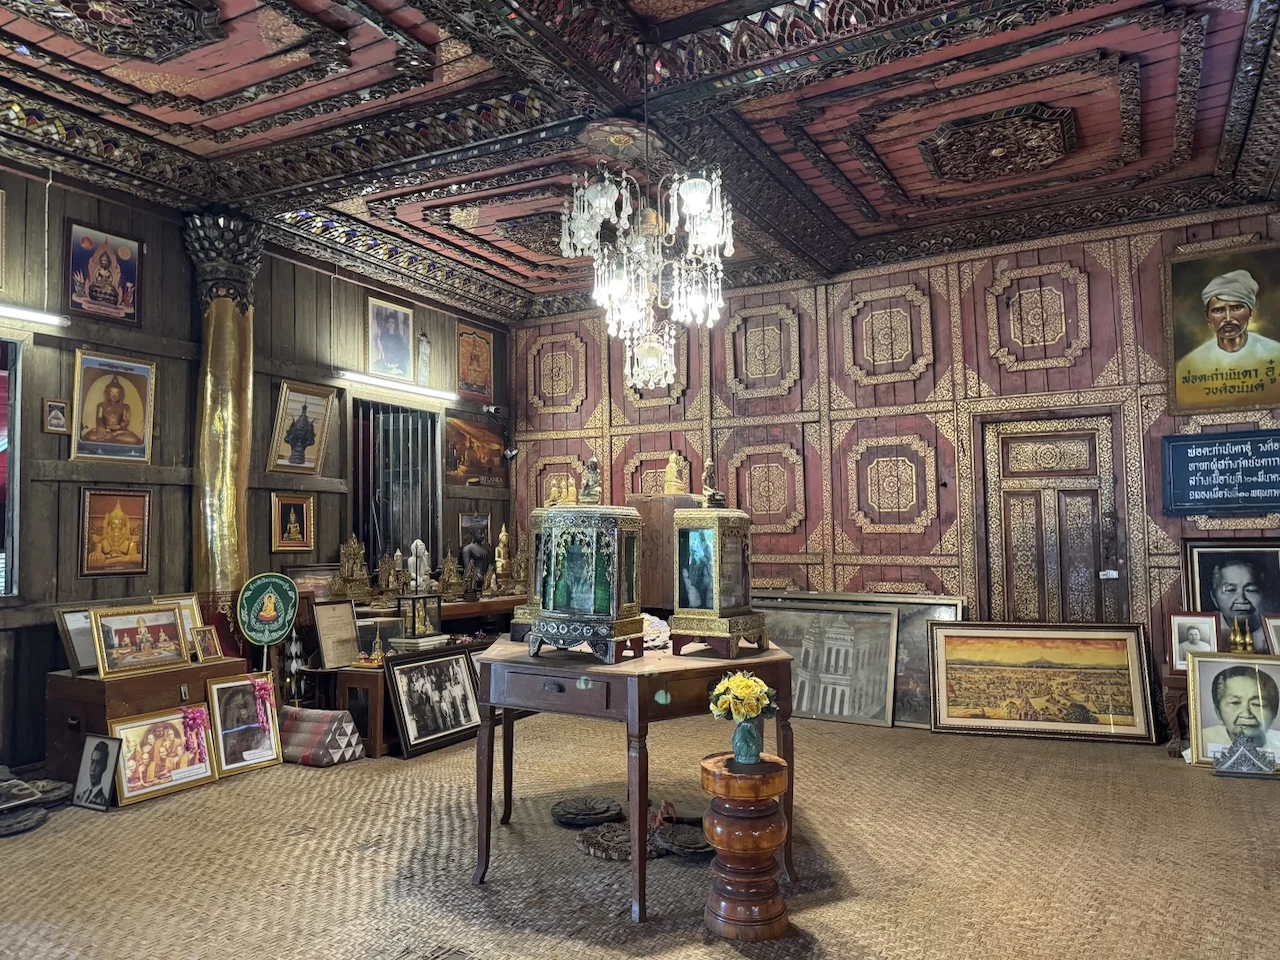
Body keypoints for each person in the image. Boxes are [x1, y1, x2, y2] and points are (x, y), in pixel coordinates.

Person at [1175, 269, 1280, 409]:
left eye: (1236, 308)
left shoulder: (1276, 354)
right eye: (1218, 310)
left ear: (1251, 312)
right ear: (1208, 316)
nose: (1228, 318)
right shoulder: (1188, 365)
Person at [1200, 664, 1280, 757]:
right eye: (1235, 703)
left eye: (1257, 704)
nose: (1246, 714)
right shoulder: (1201, 742)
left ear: (1275, 710)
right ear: (1217, 711)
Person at [1206, 556, 1272, 652]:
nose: (1241, 599)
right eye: (1230, 590)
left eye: (1251, 590)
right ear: (1214, 597)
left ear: (1264, 595)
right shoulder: (1205, 631)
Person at [82, 375, 142, 445]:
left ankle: (110, 437)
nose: (114, 396)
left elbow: (125, 420)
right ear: (106, 394)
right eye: (111, 394)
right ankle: (111, 437)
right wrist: (101, 428)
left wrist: (120, 426)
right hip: (106, 430)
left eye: (117, 394)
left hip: (119, 432)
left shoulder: (125, 407)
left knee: (133, 439)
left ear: (121, 395)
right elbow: (99, 419)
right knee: (90, 436)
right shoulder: (101, 405)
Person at [74, 740, 112, 809]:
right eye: (92, 762)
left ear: (104, 767)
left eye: (98, 764)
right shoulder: (80, 796)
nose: (93, 769)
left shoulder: (103, 802)